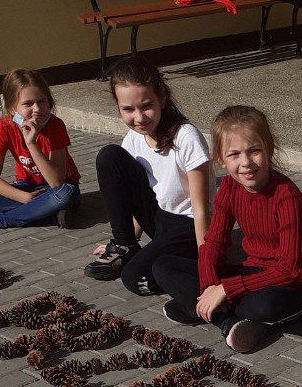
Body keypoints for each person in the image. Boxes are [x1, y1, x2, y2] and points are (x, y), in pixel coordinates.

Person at [153, 106, 302, 355]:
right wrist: (211, 285)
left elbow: (289, 270)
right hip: (252, 272)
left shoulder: (287, 197)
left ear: (269, 148)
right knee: (163, 266)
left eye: (254, 150)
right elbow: (213, 244)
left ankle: (203, 310)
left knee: (262, 304)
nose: (246, 163)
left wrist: (224, 290)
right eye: (234, 154)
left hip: (293, 285)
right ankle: (227, 322)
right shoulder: (230, 188)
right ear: (221, 159)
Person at [82, 57, 211, 296]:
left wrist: (208, 260)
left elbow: (202, 209)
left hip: (190, 227)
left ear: (161, 97)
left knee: (133, 278)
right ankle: (124, 245)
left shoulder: (186, 137)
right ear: (118, 106)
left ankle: (185, 271)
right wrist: (131, 238)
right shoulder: (133, 138)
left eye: (146, 106)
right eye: (128, 109)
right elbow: (137, 195)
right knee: (109, 156)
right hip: (160, 221)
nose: (139, 118)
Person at [0, 68, 80, 230]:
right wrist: (24, 197)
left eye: (42, 101)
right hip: (25, 187)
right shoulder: (4, 126)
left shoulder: (56, 126)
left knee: (65, 195)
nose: (37, 109)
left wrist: (31, 143)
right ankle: (44, 215)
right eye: (28, 103)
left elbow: (56, 182)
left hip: (55, 190)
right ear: (13, 109)